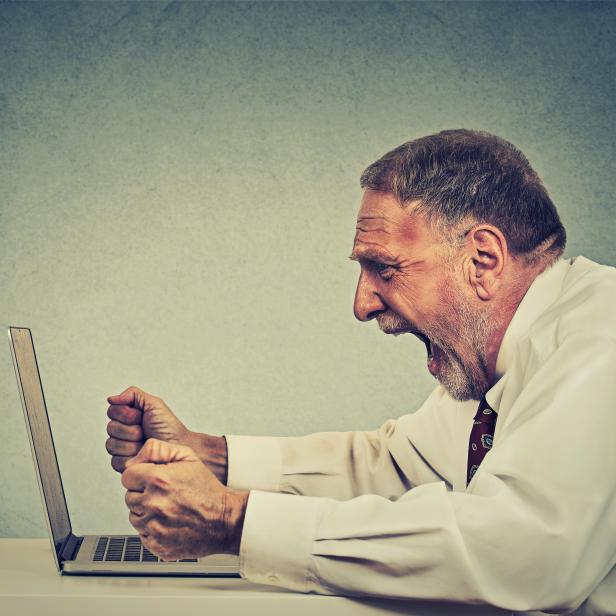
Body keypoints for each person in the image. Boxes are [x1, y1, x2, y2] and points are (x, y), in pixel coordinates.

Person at [105, 129, 616, 615]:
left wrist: (232, 520)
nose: (363, 305)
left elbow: (526, 554)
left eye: (385, 269)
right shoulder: (493, 364)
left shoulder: (603, 335)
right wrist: (210, 456)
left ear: (482, 260)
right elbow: (392, 466)